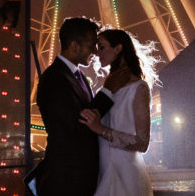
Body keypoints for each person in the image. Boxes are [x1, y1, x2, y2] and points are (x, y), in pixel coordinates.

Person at [33, 17, 128, 196]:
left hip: (81, 178)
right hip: (66, 180)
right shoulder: (54, 79)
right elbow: (77, 126)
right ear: (75, 46)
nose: (94, 51)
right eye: (91, 45)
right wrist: (107, 91)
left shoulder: (80, 77)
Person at [79, 29, 158, 196]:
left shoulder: (139, 88)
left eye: (101, 47)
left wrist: (101, 129)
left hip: (124, 174)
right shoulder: (107, 89)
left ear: (118, 48)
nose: (96, 53)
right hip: (104, 170)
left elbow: (142, 142)